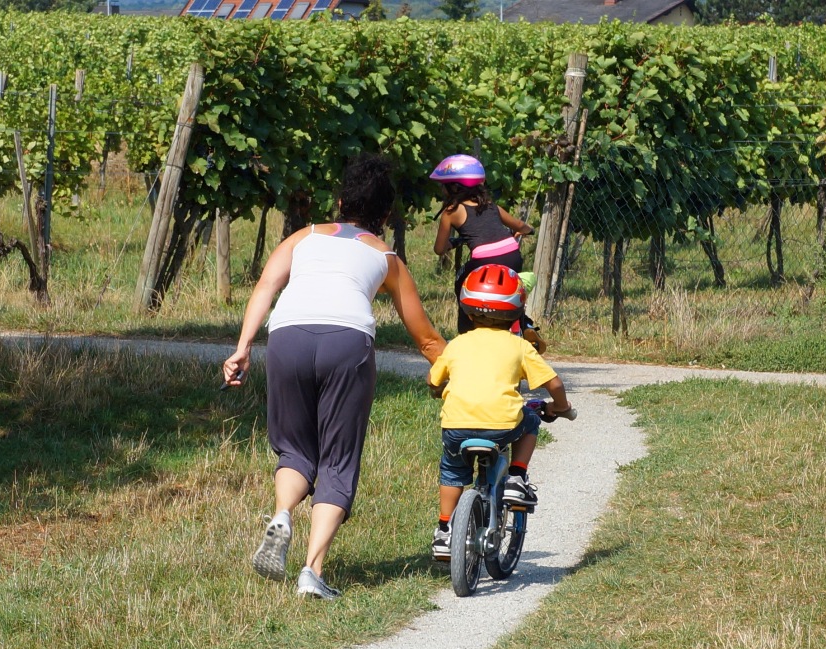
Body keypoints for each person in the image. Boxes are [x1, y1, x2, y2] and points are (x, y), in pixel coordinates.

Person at [222, 154, 446, 600]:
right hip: (347, 341)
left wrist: (243, 346)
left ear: (340, 201)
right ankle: (311, 572)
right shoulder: (386, 256)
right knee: (338, 462)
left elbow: (266, 287)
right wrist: (459, 370)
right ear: (384, 216)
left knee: (295, 449)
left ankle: (283, 513)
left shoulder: (301, 237)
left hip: (287, 334)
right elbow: (425, 339)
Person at [426, 264, 571, 561]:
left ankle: (444, 531)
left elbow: (433, 381)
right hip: (502, 426)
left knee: (452, 472)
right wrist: (562, 407)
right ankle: (517, 477)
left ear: (467, 310)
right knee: (530, 419)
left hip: (457, 426)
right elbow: (553, 384)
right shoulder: (520, 346)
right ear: (517, 311)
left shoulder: (456, 344)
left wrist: (439, 390)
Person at [429, 154, 544, 355]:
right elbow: (519, 226)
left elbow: (439, 248)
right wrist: (527, 231)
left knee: (463, 285)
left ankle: (466, 333)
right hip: (512, 254)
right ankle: (523, 324)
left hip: (483, 259)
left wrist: (452, 243)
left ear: (454, 187)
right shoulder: (491, 205)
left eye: (443, 186)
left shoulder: (451, 210)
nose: (441, 190)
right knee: (509, 289)